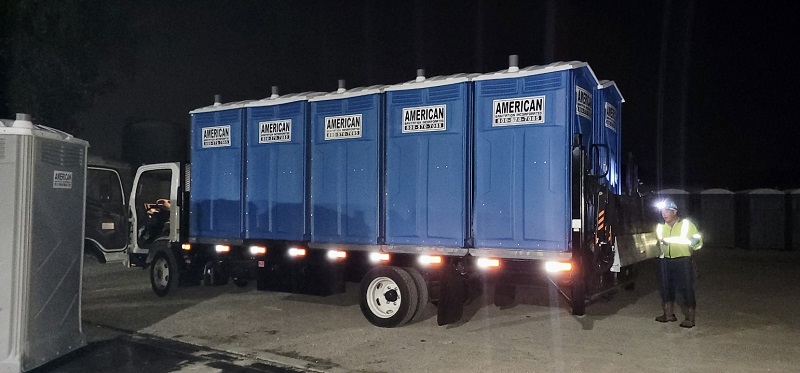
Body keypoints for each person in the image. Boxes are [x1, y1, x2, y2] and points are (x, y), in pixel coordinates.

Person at [655, 199, 703, 328]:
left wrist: (694, 242)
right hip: (665, 260)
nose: (663, 214)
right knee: (666, 288)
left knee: (686, 288)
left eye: (667, 211)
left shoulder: (686, 225)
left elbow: (698, 241)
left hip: (683, 260)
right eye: (662, 211)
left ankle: (690, 318)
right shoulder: (660, 227)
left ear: (674, 212)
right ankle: (668, 314)